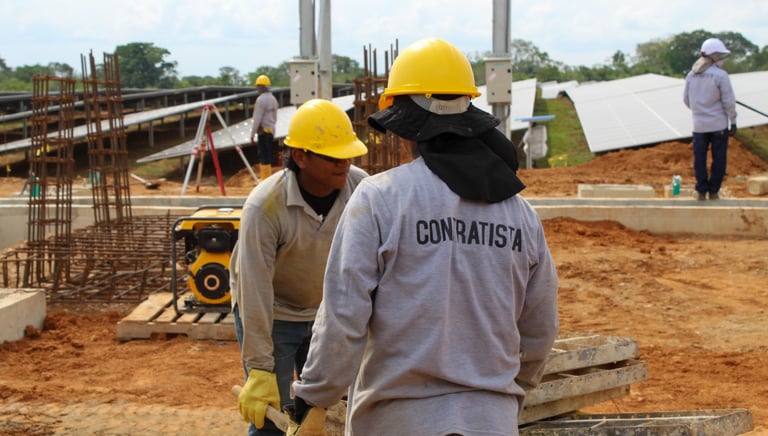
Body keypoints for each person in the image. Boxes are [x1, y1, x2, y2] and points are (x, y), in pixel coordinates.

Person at [290, 37, 560, 436]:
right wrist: (502, 391)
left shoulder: (380, 199)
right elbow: (541, 327)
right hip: (491, 422)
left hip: (396, 420)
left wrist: (314, 396)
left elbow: (343, 316)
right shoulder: (521, 214)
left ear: (406, 125)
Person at [231, 98, 368, 436]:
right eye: (333, 158)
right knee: (270, 416)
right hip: (273, 314)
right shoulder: (266, 207)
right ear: (301, 157)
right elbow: (254, 290)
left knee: (323, 415)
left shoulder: (361, 190)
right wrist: (259, 367)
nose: (344, 164)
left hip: (324, 314)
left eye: (348, 155)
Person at [683, 37, 738, 201]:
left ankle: (701, 190)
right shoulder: (721, 75)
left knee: (699, 158)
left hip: (699, 126)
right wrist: (733, 120)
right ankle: (714, 191)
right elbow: (729, 101)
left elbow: (686, 100)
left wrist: (700, 110)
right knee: (719, 159)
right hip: (718, 125)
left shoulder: (691, 75)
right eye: (720, 56)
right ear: (714, 56)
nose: (722, 59)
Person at [250, 74, 280, 181]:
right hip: (271, 131)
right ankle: (267, 178)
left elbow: (257, 118)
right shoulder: (273, 99)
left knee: (263, 157)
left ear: (260, 87)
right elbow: (275, 118)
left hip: (263, 132)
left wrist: (252, 134)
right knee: (268, 155)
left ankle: (265, 179)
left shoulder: (261, 100)